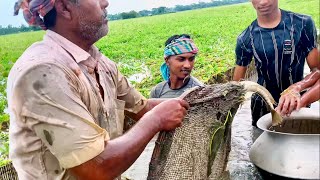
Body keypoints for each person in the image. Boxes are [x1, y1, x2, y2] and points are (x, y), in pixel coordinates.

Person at [8, 0, 189, 179]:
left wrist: (190, 101)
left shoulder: (101, 63)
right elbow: (95, 168)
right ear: (64, 8)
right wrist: (156, 120)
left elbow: (142, 107)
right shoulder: (43, 71)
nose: (105, 3)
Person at [233, 0, 319, 126]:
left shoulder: (302, 24)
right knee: (263, 143)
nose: (263, 2)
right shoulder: (245, 39)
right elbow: (236, 86)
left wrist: (297, 87)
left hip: (296, 105)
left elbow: (317, 71)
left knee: (297, 141)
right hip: (262, 109)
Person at [150, 34, 203, 98]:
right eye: (181, 59)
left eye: (191, 59)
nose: (188, 65)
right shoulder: (158, 91)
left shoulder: (199, 91)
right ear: (167, 61)